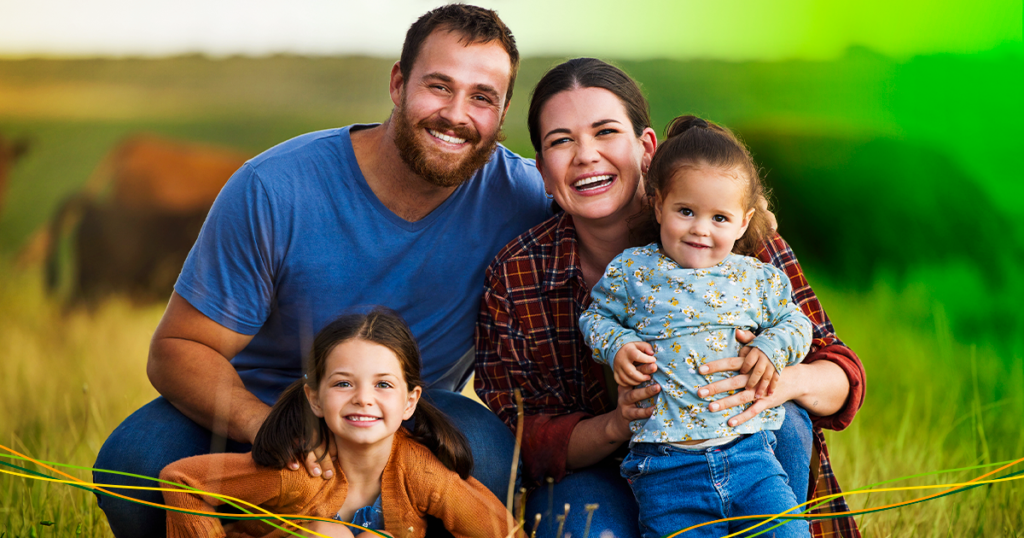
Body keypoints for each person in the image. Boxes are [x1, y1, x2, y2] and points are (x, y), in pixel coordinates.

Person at [94, 5, 551, 537]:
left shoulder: (523, 196)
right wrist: (270, 429)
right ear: (398, 84)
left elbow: (630, 210)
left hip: (396, 417)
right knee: (132, 465)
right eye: (439, 86)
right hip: (260, 406)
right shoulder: (275, 186)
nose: (455, 113)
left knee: (488, 458)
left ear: (503, 111)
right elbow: (178, 349)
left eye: (481, 97)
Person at [475, 58, 865, 538]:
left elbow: (841, 374)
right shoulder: (517, 273)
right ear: (540, 168)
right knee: (581, 524)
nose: (585, 155)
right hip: (611, 472)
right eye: (561, 140)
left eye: (605, 132)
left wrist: (776, 380)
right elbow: (521, 439)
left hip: (745, 448)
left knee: (786, 423)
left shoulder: (735, 238)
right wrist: (617, 425)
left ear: (646, 148)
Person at [579, 115, 815, 538]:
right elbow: (595, 317)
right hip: (665, 469)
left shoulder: (755, 277)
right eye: (685, 211)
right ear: (658, 206)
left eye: (720, 218)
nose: (701, 230)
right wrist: (617, 345)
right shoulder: (634, 271)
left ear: (743, 222)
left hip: (751, 457)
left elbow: (796, 322)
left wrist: (770, 349)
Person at [161, 309, 521, 538]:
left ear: (409, 401)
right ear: (315, 398)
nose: (363, 398)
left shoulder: (421, 472)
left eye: (383, 384)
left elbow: (504, 532)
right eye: (343, 383)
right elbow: (183, 482)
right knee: (328, 535)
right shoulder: (299, 470)